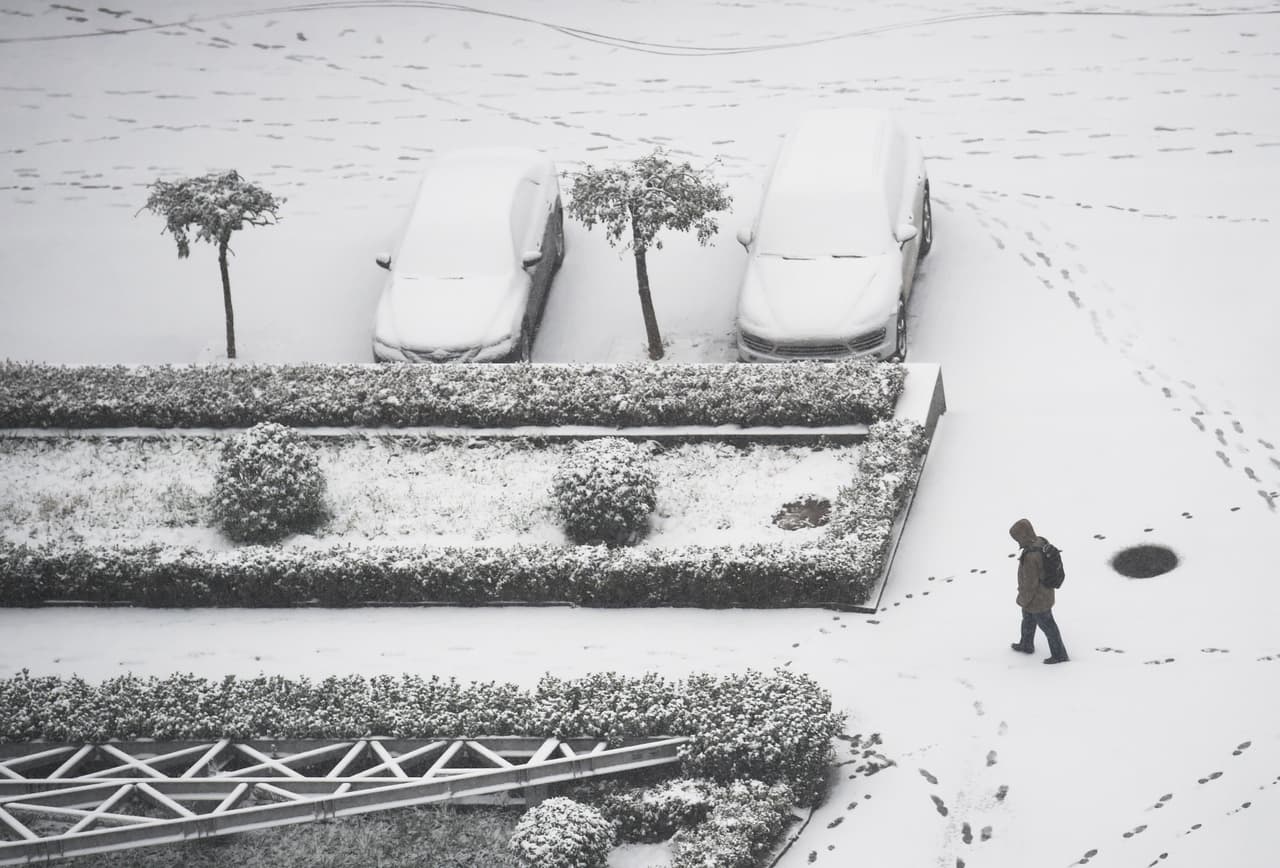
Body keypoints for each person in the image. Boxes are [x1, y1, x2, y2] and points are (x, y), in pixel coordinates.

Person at [1009, 518, 1069, 664]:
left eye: (1017, 538)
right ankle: (1026, 644)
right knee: (1028, 620)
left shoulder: (1030, 556)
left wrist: (1022, 599)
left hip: (1037, 600)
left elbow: (1030, 585)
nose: (1017, 542)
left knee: (1049, 627)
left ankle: (1060, 654)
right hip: (1043, 595)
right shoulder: (1041, 542)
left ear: (1022, 536)